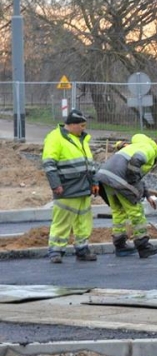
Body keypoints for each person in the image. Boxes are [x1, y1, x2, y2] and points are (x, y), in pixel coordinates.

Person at [95, 135, 157, 258]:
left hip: (105, 177)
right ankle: (143, 246)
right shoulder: (150, 149)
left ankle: (120, 246)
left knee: (119, 212)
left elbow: (138, 175)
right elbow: (136, 162)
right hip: (119, 179)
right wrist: (133, 184)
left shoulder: (138, 145)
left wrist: (147, 195)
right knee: (136, 212)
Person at [42, 109, 99, 264]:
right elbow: (49, 164)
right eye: (81, 125)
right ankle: (55, 251)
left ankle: (82, 249)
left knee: (83, 221)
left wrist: (94, 183)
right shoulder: (55, 138)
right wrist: (56, 185)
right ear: (72, 125)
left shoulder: (81, 139)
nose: (83, 128)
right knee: (62, 221)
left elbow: (89, 164)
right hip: (67, 188)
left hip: (83, 188)